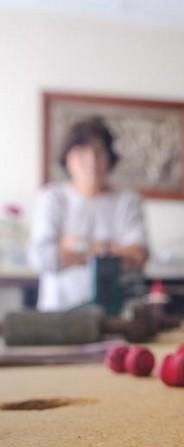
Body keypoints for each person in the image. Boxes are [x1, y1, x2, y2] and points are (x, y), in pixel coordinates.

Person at [28, 116, 149, 311]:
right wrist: (113, 252)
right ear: (67, 159)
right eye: (82, 151)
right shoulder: (51, 198)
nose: (92, 160)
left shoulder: (127, 201)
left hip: (117, 317)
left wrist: (75, 246)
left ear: (110, 158)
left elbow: (138, 256)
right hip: (59, 314)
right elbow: (43, 258)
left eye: (99, 151)